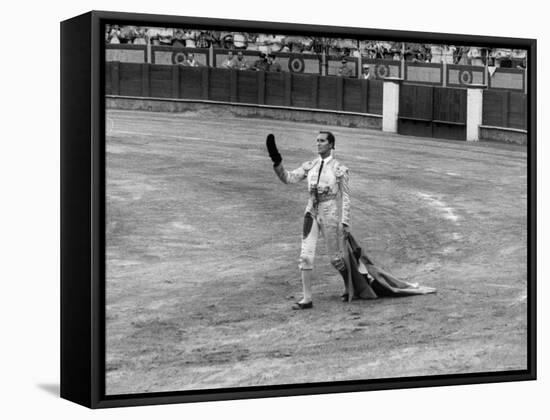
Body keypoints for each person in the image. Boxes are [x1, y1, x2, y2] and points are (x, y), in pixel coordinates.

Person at [266, 132, 351, 309]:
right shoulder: (310, 165)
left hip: (329, 213)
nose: (318, 144)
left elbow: (346, 197)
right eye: (317, 141)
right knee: (305, 256)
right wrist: (276, 160)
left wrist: (345, 222)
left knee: (335, 258)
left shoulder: (339, 168)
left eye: (322, 141)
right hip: (311, 211)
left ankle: (348, 286)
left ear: (331, 144)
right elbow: (288, 178)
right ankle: (307, 298)